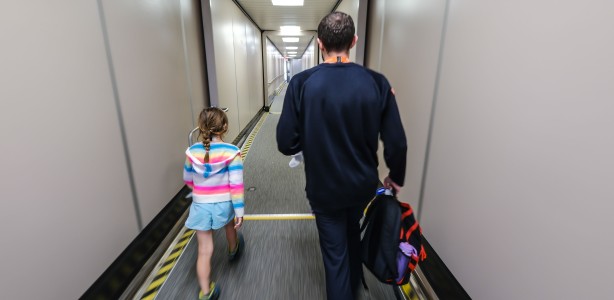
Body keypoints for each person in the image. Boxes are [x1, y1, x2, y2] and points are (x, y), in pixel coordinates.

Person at [276, 11, 407, 300]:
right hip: (362, 185)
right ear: (354, 41)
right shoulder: (377, 82)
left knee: (334, 254)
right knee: (352, 230)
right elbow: (397, 142)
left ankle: (345, 287)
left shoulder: (301, 84)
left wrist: (310, 135)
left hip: (324, 188)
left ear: (320, 44)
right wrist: (395, 177)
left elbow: (285, 142)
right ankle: (355, 282)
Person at [183, 107, 245, 300]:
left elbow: (188, 179)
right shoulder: (232, 152)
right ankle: (233, 248)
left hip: (200, 204)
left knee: (204, 250)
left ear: (201, 127)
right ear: (224, 126)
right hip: (224, 203)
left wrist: (200, 189)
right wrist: (239, 212)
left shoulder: (192, 152)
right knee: (229, 226)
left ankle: (205, 292)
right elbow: (236, 185)